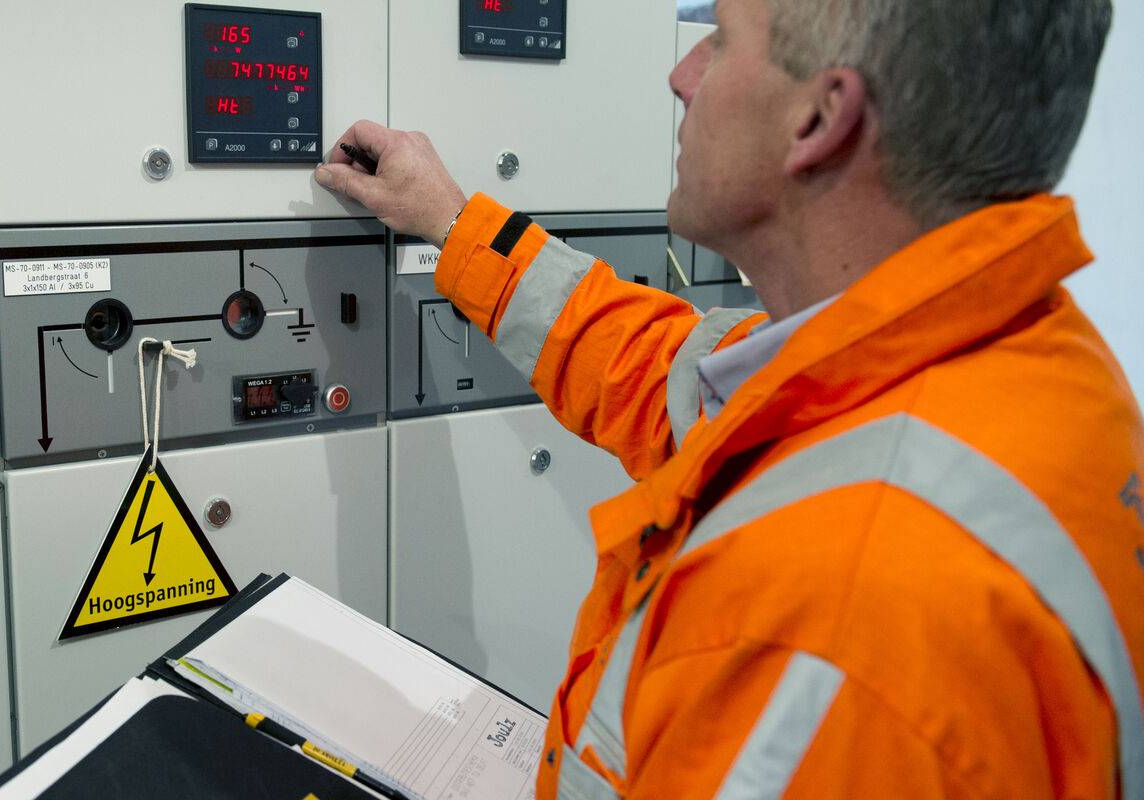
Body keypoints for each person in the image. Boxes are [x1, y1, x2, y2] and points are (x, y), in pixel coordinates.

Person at [315, 0, 1142, 797]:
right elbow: (656, 371)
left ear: (819, 119)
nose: (680, 73)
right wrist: (455, 222)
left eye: (721, 36)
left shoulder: (832, 627)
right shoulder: (1017, 362)